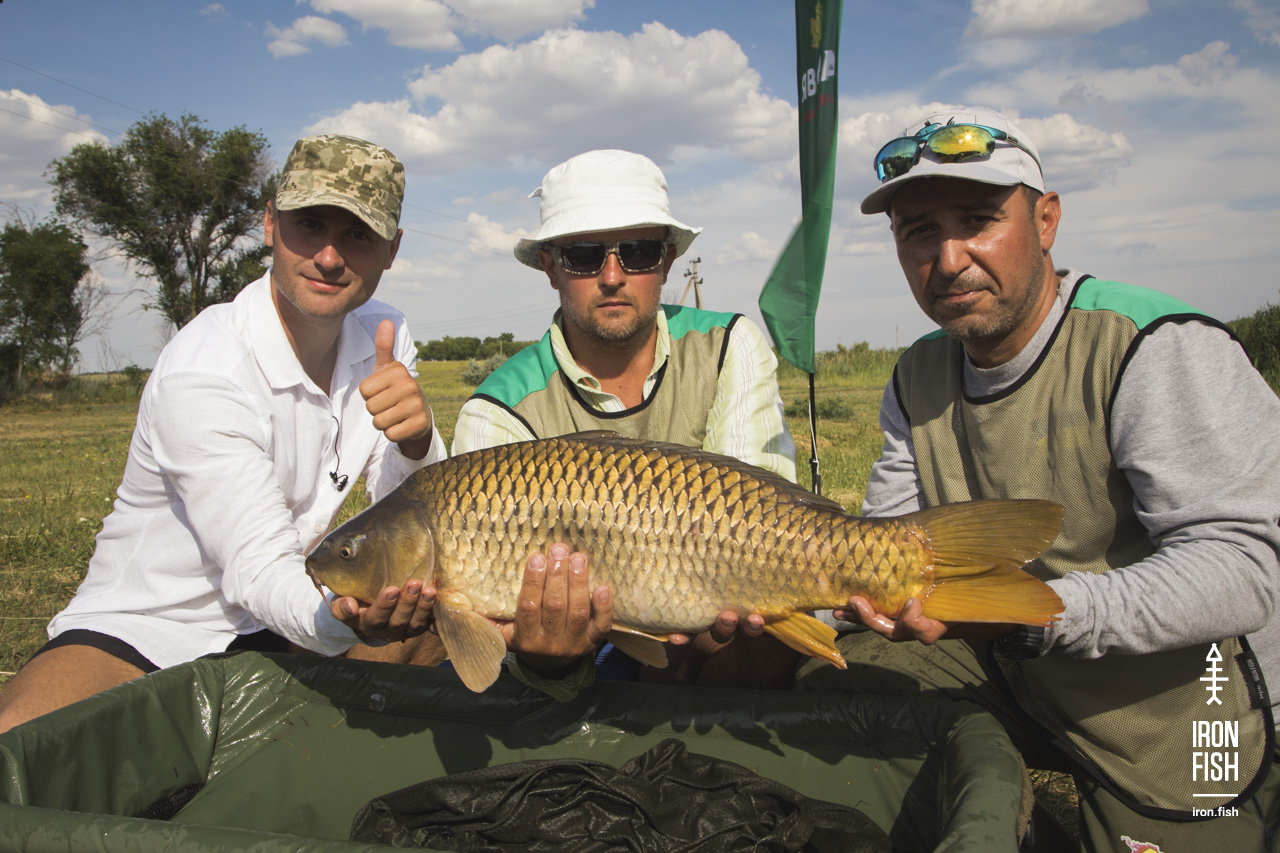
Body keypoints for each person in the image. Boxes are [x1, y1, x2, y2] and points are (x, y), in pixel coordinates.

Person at [801, 106, 1280, 850]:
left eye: (978, 220)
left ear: (1047, 219)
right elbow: (884, 550)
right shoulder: (917, 372)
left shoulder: (1153, 344)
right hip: (1017, 664)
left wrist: (1038, 615)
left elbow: (1243, 572)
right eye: (919, 230)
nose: (949, 258)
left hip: (1184, 700)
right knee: (839, 671)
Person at [0, 134, 447, 733]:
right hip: (154, 627)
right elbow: (258, 569)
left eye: (358, 235)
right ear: (270, 225)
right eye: (310, 225)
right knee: (26, 747)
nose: (329, 257)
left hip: (301, 614)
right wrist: (345, 620)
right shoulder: (206, 369)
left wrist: (416, 445)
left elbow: (402, 515)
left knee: (452, 618)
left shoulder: (386, 332)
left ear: (391, 250)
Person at [451, 149, 800, 693]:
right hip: (576, 645)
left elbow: (758, 514)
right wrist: (548, 658)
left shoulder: (729, 344)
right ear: (550, 267)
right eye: (584, 256)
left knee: (758, 637)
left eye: (637, 252)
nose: (612, 277)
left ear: (666, 260)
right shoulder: (496, 410)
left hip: (713, 615)